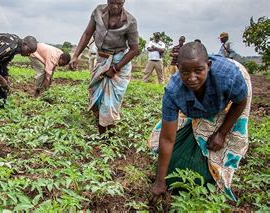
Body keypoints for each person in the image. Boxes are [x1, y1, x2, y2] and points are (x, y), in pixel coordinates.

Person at [149, 42, 252, 205]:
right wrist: (160, 181)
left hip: (237, 87)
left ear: (208, 66)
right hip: (200, 103)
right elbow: (167, 139)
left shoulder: (229, 77)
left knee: (224, 142)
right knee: (172, 161)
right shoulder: (173, 91)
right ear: (178, 68)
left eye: (198, 71)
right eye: (185, 72)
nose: (192, 78)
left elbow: (240, 103)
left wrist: (221, 133)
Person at [69, 0, 140, 135]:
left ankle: (107, 137)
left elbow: (134, 49)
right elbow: (87, 34)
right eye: (112, 2)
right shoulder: (97, 12)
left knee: (110, 103)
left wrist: (114, 69)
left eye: (119, 3)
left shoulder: (130, 21)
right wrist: (75, 55)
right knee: (96, 96)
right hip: (102, 59)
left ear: (124, 1)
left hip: (119, 62)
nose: (115, 6)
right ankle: (102, 131)